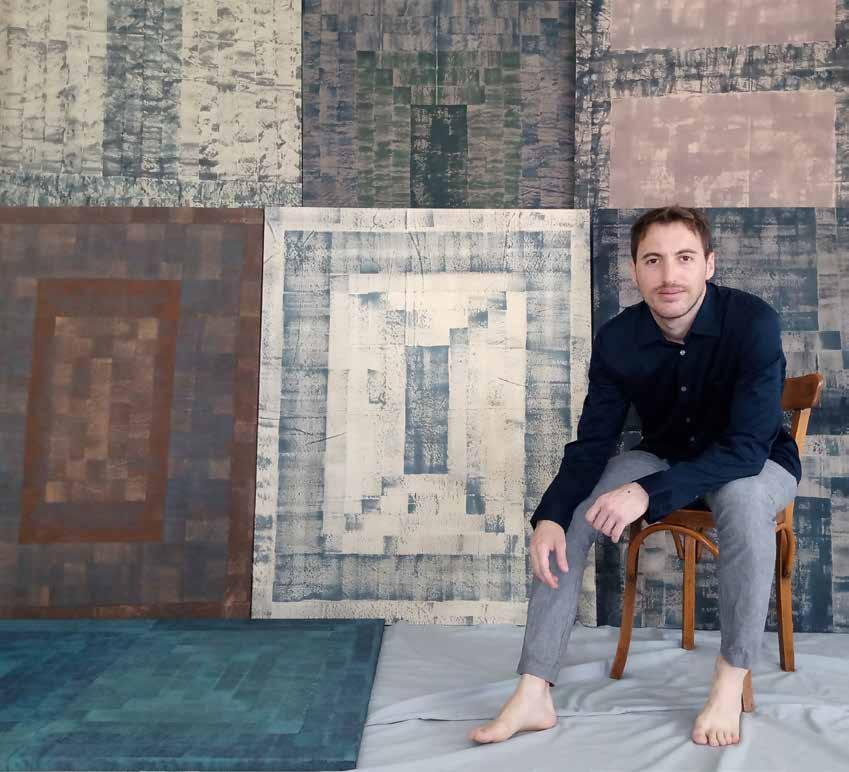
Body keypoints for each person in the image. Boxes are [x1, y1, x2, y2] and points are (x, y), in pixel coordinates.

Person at [468, 206, 801, 748]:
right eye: (653, 260)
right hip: (664, 455)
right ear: (635, 271)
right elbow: (593, 444)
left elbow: (745, 447)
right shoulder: (618, 338)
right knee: (575, 513)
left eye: (684, 258)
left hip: (756, 461)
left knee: (742, 502)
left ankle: (729, 679)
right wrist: (550, 516)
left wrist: (647, 492)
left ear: (709, 264)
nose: (669, 275)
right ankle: (533, 691)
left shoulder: (753, 322)